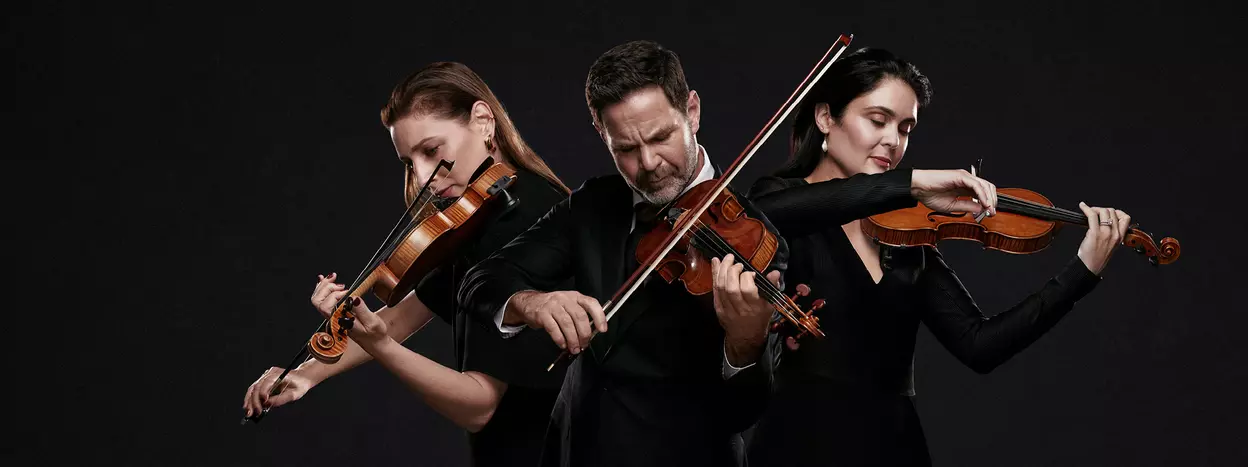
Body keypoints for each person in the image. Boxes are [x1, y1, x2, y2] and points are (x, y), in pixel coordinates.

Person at [742, 48, 1132, 466]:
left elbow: (979, 346)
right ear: (825, 118)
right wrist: (909, 183)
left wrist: (1081, 273)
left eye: (905, 128)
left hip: (895, 446)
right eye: (877, 120)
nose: (892, 141)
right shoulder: (776, 200)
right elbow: (779, 213)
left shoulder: (906, 233)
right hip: (800, 443)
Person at [457, 40, 784, 467]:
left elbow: (743, 412)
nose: (649, 163)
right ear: (600, 132)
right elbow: (480, 281)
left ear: (692, 112)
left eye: (661, 137)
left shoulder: (758, 241)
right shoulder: (592, 205)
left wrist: (745, 344)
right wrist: (532, 302)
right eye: (625, 149)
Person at [240, 61, 572, 467]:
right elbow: (399, 319)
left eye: (432, 150)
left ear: (483, 121)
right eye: (408, 161)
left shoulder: (520, 222)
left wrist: (378, 346)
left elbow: (479, 406)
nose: (425, 175)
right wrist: (305, 374)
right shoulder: (481, 216)